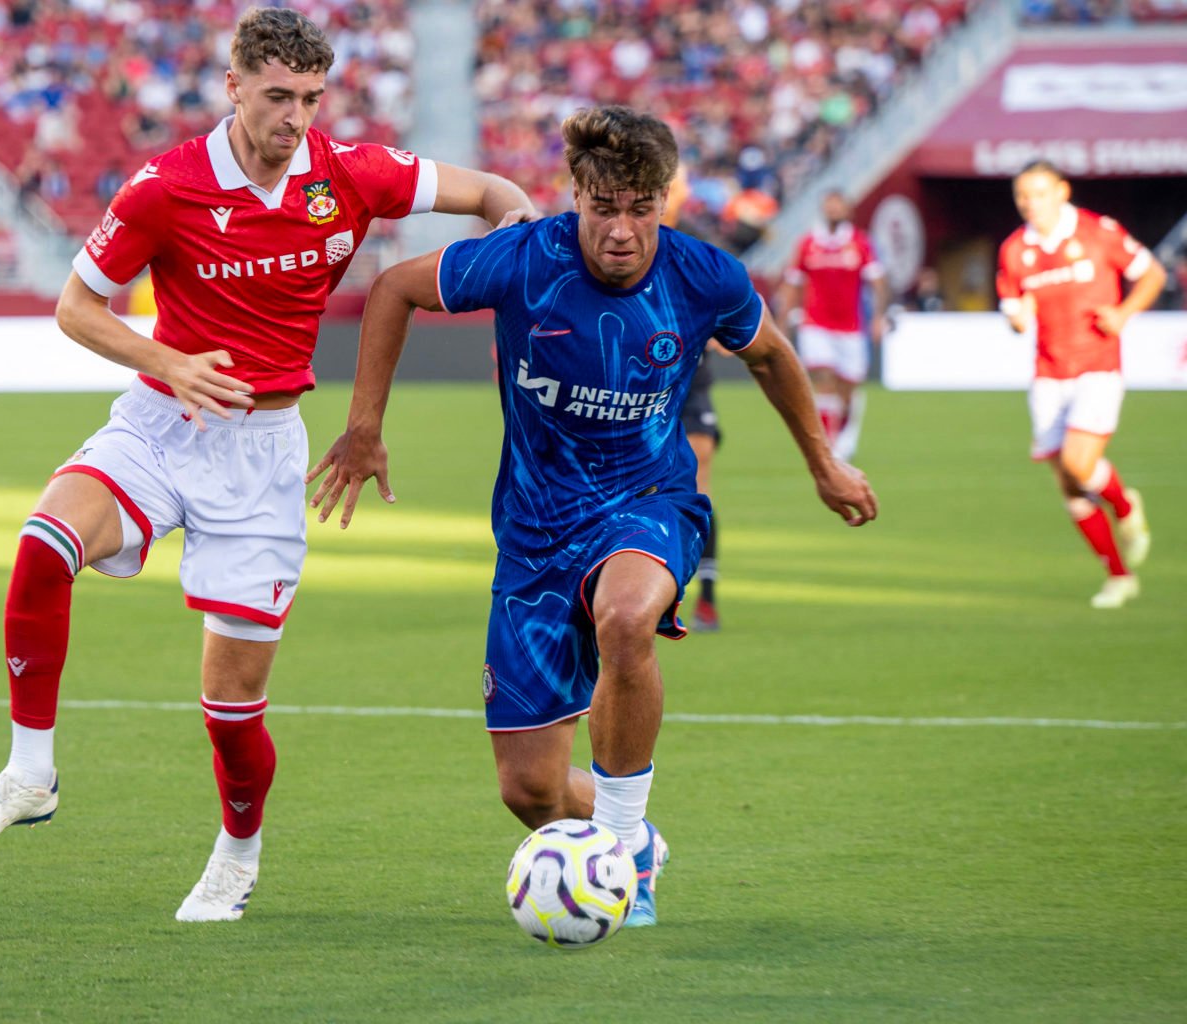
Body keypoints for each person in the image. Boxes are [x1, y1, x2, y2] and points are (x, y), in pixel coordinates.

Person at [0, 7, 535, 923]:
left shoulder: (352, 173)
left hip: (262, 456)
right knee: (43, 544)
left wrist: (517, 235)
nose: (296, 116)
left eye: (311, 97)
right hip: (162, 423)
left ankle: (236, 855)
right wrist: (168, 362)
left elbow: (493, 191)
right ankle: (29, 772)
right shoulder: (164, 187)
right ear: (234, 86)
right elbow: (76, 308)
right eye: (278, 95)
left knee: (231, 707)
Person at [307, 106, 876, 927]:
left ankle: (620, 845)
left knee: (626, 616)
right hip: (535, 535)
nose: (620, 229)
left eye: (640, 209)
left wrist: (823, 462)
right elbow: (395, 289)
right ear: (575, 196)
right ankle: (635, 836)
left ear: (664, 202)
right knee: (530, 789)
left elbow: (771, 353)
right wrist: (364, 428)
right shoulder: (522, 261)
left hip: (651, 503)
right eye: (603, 207)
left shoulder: (704, 276)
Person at [996, 160, 1164, 609]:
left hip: (1097, 368)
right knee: (1069, 486)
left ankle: (1124, 506)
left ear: (1062, 192)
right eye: (1022, 196)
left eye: (1039, 193)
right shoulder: (1015, 249)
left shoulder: (1097, 232)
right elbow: (1013, 308)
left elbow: (1152, 274)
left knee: (1077, 462)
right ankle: (1119, 576)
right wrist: (1017, 320)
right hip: (1048, 375)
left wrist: (1123, 314)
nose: (1030, 203)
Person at [774, 190, 890, 463]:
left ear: (848, 210)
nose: (833, 210)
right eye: (829, 205)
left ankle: (845, 434)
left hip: (851, 328)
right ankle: (828, 446)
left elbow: (878, 282)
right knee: (823, 379)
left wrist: (878, 316)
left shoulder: (859, 242)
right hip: (815, 324)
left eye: (838, 205)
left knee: (847, 390)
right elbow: (792, 284)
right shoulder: (808, 243)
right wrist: (781, 323)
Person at [661, 163, 722, 630]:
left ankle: (706, 597)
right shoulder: (623, 237)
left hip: (692, 384)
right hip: (639, 386)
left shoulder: (697, 242)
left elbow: (725, 302)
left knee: (698, 485)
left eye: (677, 183)